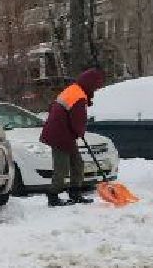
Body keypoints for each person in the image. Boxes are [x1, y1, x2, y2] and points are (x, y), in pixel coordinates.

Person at [40, 66, 107, 207]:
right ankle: (53, 195)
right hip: (59, 135)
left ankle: (75, 193)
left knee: (77, 164)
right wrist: (79, 131)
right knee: (62, 167)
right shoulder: (78, 96)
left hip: (65, 134)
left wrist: (76, 131)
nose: (95, 90)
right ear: (90, 84)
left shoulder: (73, 90)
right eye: (95, 87)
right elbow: (78, 119)